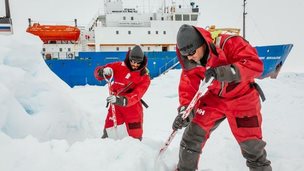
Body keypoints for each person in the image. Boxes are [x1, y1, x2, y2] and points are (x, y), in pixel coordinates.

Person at [172, 24, 272, 171]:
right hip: (214, 99)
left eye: (192, 52)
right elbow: (188, 86)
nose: (189, 57)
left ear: (202, 44)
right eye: (185, 54)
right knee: (192, 136)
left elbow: (255, 65)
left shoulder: (230, 42)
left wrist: (224, 72)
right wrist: (185, 109)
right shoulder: (191, 62)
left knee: (252, 147)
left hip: (242, 98)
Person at [94, 45, 151, 140]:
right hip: (115, 105)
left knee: (135, 136)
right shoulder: (119, 66)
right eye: (133, 61)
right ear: (129, 59)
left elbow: (137, 94)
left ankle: (136, 152)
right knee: (109, 132)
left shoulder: (144, 77)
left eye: (138, 63)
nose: (135, 64)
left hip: (132, 107)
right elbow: (98, 74)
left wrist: (122, 100)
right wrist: (101, 71)